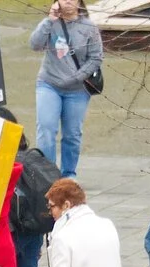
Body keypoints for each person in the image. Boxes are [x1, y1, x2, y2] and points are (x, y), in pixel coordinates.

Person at [30, 0, 102, 175]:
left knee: (72, 135)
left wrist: (76, 77)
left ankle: (69, 174)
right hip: (49, 84)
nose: (68, 1)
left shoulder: (88, 27)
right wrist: (49, 20)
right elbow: (35, 45)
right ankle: (47, 174)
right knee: (46, 129)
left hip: (77, 90)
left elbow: (96, 58)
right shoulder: (51, 23)